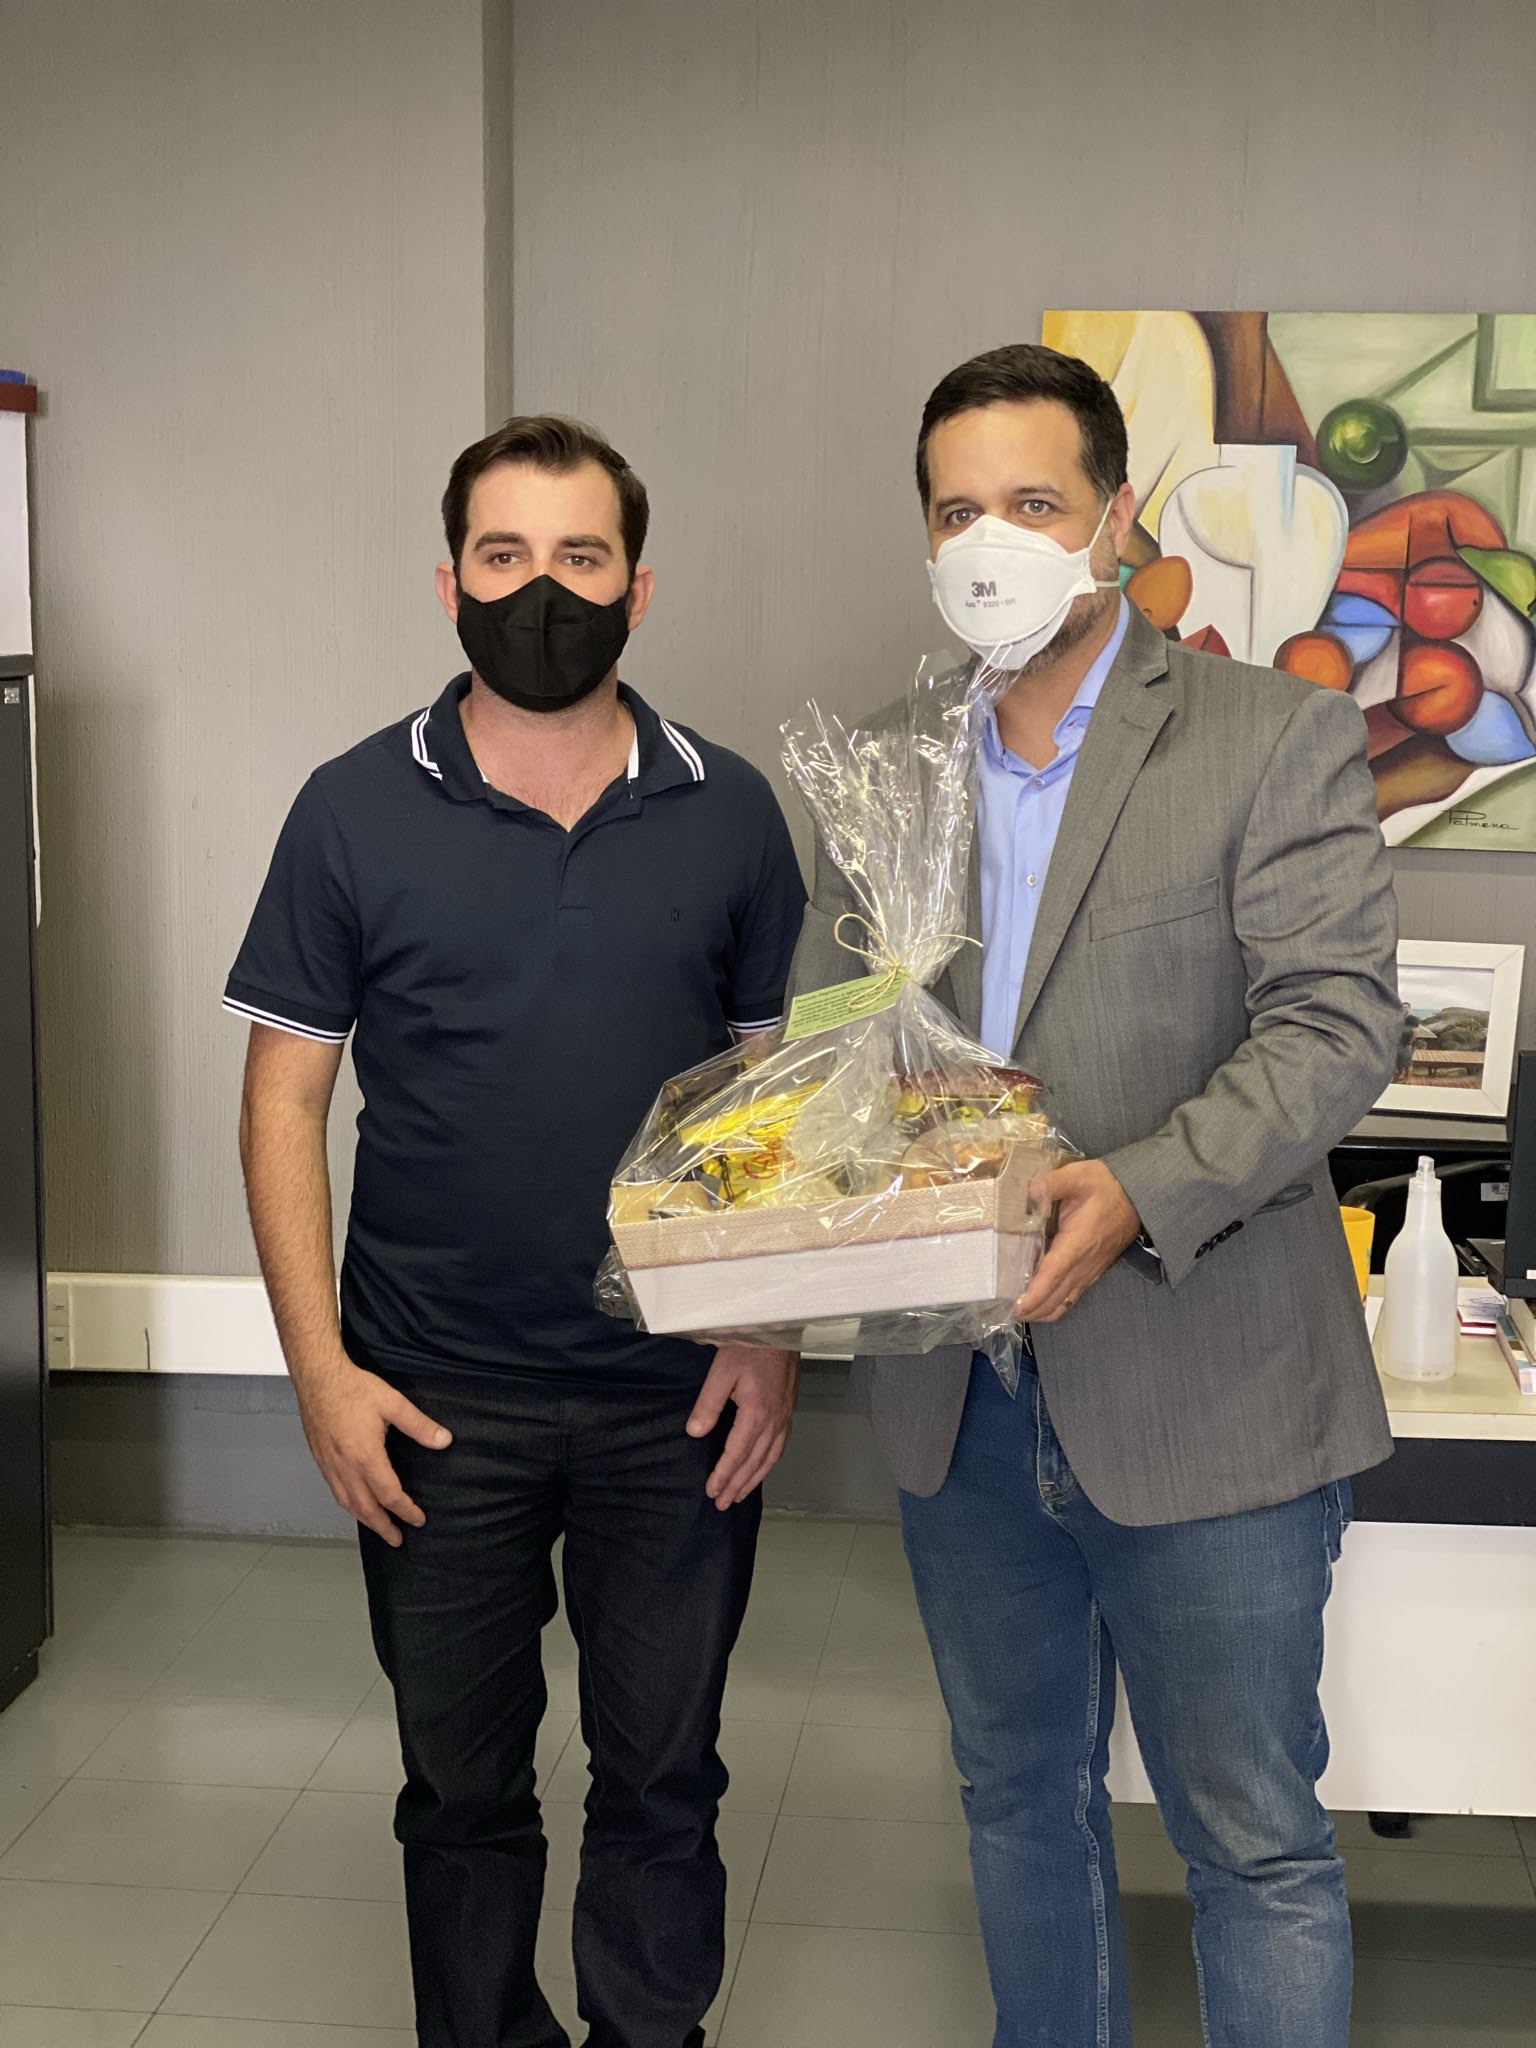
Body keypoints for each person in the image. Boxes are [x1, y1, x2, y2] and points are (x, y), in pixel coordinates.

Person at [788, 343, 1400, 2048]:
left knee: (1252, 1843)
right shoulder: (886, 772)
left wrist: (1135, 1188)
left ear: (1117, 519)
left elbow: (1338, 1024)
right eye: (956, 512)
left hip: (1209, 1388)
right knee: (1017, 1804)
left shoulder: (1270, 738)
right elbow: (836, 1044)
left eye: (1033, 503)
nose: (991, 542)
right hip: (963, 1405)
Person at [228, 414, 806, 2048]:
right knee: (460, 1790)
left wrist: (768, 1330)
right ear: (449, 583)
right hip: (429, 1400)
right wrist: (321, 1373)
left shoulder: (730, 810)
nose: (539, 590)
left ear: (637, 588)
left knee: (664, 1777)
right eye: (504, 555)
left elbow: (782, 1103)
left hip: (673, 1395)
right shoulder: (351, 809)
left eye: (578, 556)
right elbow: (282, 1104)